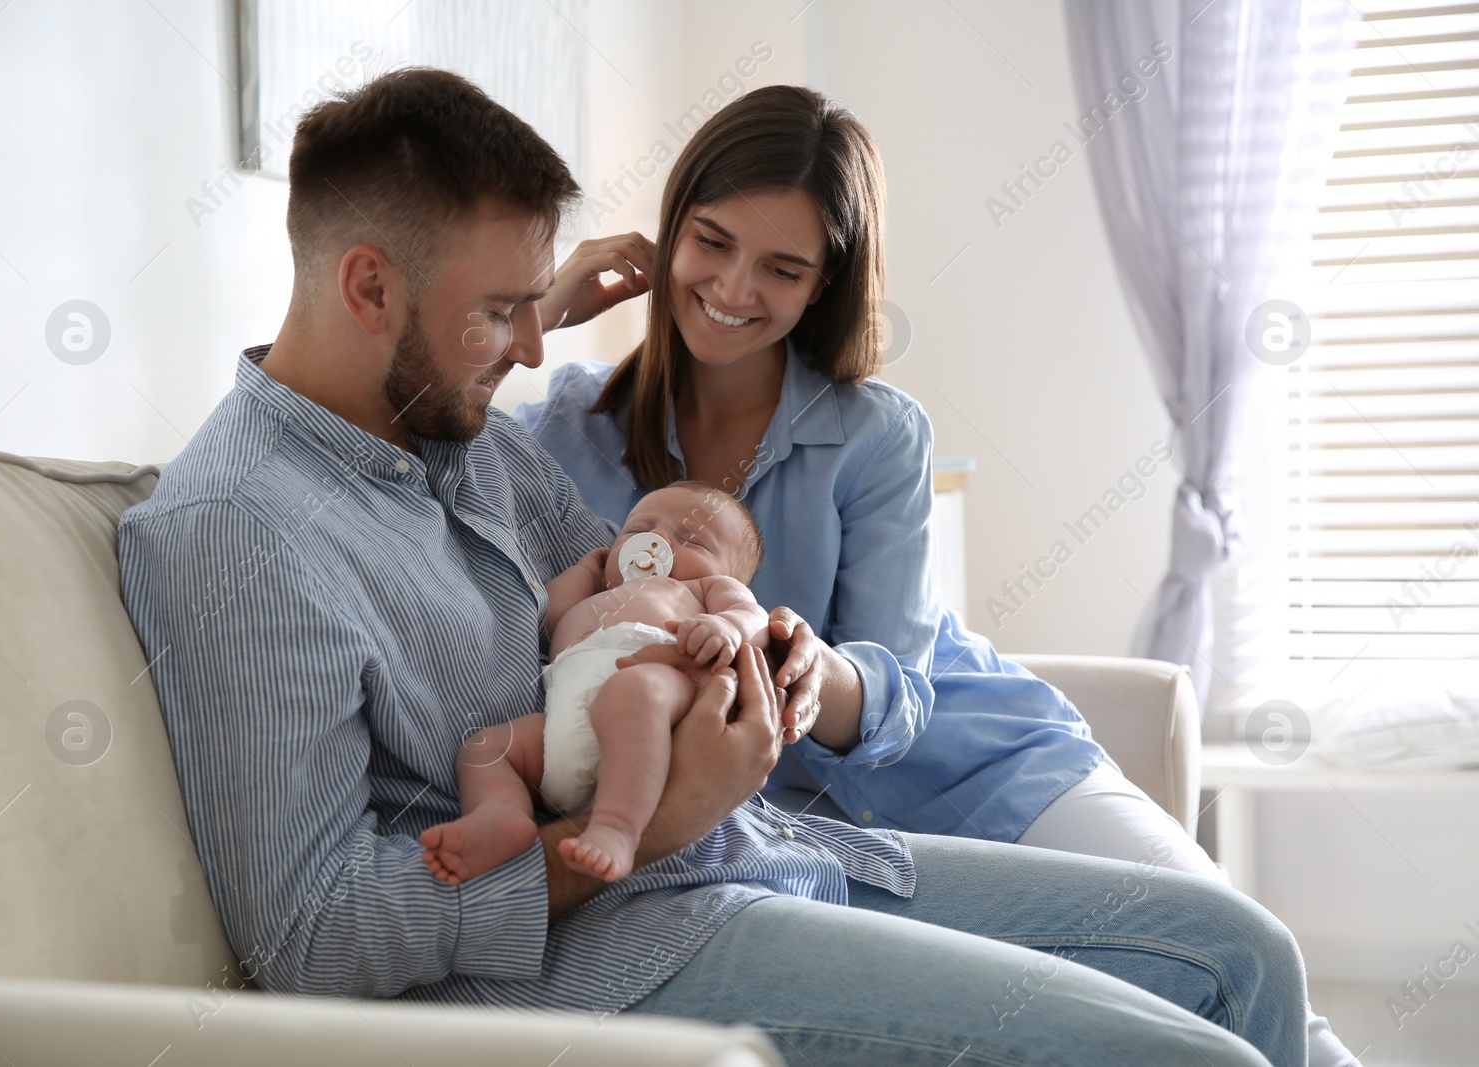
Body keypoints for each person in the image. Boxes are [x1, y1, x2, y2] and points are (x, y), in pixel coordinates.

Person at [118, 68, 1310, 1066]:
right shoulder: (235, 530)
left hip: (743, 852)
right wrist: (673, 806)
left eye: (539, 305)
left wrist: (745, 652)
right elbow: (314, 933)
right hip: (597, 954)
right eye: (502, 310)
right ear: (369, 286)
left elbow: (634, 584)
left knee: (1243, 950)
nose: (538, 346)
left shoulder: (453, 436)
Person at [519, 83, 1357, 1066]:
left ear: (824, 283)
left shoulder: (875, 434)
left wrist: (802, 672)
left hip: (976, 758)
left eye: (782, 267)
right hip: (780, 823)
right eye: (711, 242)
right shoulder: (564, 429)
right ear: (668, 232)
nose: (736, 288)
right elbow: (396, 455)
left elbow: (901, 679)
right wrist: (535, 311)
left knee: (1248, 967)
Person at [421, 481, 768, 885]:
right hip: (563, 732)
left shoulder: (701, 590)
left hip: (655, 710)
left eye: (690, 540)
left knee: (631, 692)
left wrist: (724, 626)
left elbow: (754, 617)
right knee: (486, 747)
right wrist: (589, 569)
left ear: (730, 573)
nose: (657, 542)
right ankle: (501, 815)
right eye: (637, 532)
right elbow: (548, 613)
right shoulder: (596, 595)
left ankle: (616, 828)